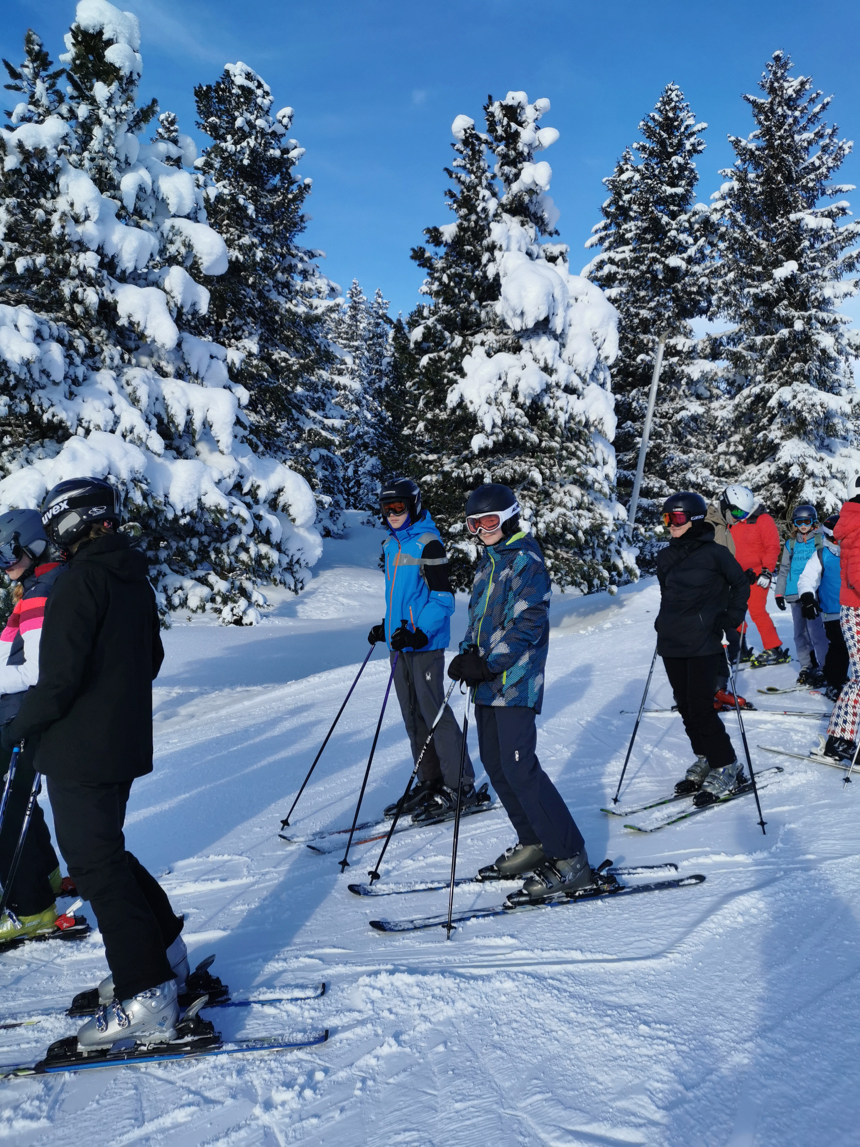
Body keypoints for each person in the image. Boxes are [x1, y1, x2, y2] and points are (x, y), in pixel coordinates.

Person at [1, 477, 188, 1051]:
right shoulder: (131, 575)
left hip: (80, 750)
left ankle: (146, 992)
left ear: (70, 522)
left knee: (94, 865)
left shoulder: (79, 580)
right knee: (107, 855)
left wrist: (19, 728)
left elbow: (57, 681)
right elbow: (150, 659)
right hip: (119, 745)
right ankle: (166, 956)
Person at [446, 483, 593, 902]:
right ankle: (535, 841)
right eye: (474, 524)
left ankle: (571, 857)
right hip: (488, 684)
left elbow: (529, 623)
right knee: (497, 765)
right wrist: (466, 655)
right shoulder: (488, 562)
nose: (482, 530)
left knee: (521, 768)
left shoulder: (526, 560)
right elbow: (479, 621)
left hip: (516, 681)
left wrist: (488, 664)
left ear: (510, 516)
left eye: (490, 521)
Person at [369, 477, 476, 819]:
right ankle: (430, 780)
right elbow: (402, 598)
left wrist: (418, 632)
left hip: (425, 645)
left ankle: (461, 785)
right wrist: (387, 628)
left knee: (434, 714)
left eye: (398, 507)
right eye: (387, 508)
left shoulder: (428, 544)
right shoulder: (392, 545)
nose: (393, 513)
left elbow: (443, 599)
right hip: (401, 645)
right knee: (412, 715)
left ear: (413, 505)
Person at [656, 492, 750, 802]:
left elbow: (740, 584)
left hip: (704, 640)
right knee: (685, 707)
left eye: (677, 518)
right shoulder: (665, 556)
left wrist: (731, 618)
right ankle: (706, 756)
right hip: (672, 641)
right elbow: (668, 594)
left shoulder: (715, 554)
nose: (671, 524)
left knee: (700, 707)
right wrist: (662, 621)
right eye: (667, 518)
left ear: (695, 519)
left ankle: (726, 764)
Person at [0, 510, 66, 945]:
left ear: (33, 545)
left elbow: (38, 671)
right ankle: (46, 877)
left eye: (7, 554)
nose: (4, 566)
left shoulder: (42, 591)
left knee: (8, 810)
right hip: (17, 712)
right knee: (20, 801)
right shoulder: (39, 585)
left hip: (21, 715)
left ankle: (31, 909)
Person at [719, 484, 788, 668]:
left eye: (741, 513)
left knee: (757, 610)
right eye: (735, 512)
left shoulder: (763, 520)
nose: (739, 516)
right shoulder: (731, 521)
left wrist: (766, 571)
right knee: (734, 612)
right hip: (736, 575)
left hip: (757, 576)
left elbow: (772, 547)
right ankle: (738, 649)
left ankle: (774, 648)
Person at [817, 483, 860, 763]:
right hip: (856, 610)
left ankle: (840, 737)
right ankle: (839, 740)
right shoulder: (857, 524)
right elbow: (857, 574)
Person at [775, 504, 829, 686]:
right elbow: (784, 570)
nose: (803, 526)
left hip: (813, 594)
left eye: (807, 521)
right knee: (799, 633)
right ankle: (806, 665)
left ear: (813, 522)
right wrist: (779, 593)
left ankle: (824, 666)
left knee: (816, 632)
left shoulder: (820, 540)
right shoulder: (790, 544)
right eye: (799, 522)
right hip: (794, 594)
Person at [797, 514, 847, 701]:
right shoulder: (821, 555)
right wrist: (807, 597)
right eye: (835, 540)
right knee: (839, 647)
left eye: (842, 539)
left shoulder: (854, 552)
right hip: (833, 612)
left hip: (854, 610)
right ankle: (834, 683)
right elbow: (807, 578)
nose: (838, 543)